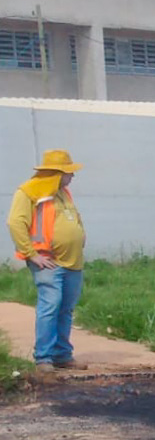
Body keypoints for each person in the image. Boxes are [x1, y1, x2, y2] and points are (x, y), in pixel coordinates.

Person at [8, 149, 87, 373]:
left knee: (66, 309)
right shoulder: (29, 192)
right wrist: (31, 254)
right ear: (57, 173)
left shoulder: (63, 192)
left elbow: (73, 217)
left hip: (73, 262)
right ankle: (44, 358)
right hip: (48, 262)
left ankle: (62, 355)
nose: (73, 177)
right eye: (69, 172)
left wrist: (81, 233)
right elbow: (15, 222)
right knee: (50, 307)